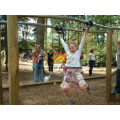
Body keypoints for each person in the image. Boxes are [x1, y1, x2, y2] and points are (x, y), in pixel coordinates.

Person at [58, 27, 91, 105]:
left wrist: (85, 32)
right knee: (64, 88)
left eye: (73, 48)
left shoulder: (78, 52)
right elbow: (64, 44)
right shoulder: (68, 52)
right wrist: (60, 36)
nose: (71, 49)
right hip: (69, 73)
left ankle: (87, 85)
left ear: (76, 47)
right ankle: (70, 99)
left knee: (83, 88)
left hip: (76, 72)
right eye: (70, 48)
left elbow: (82, 41)